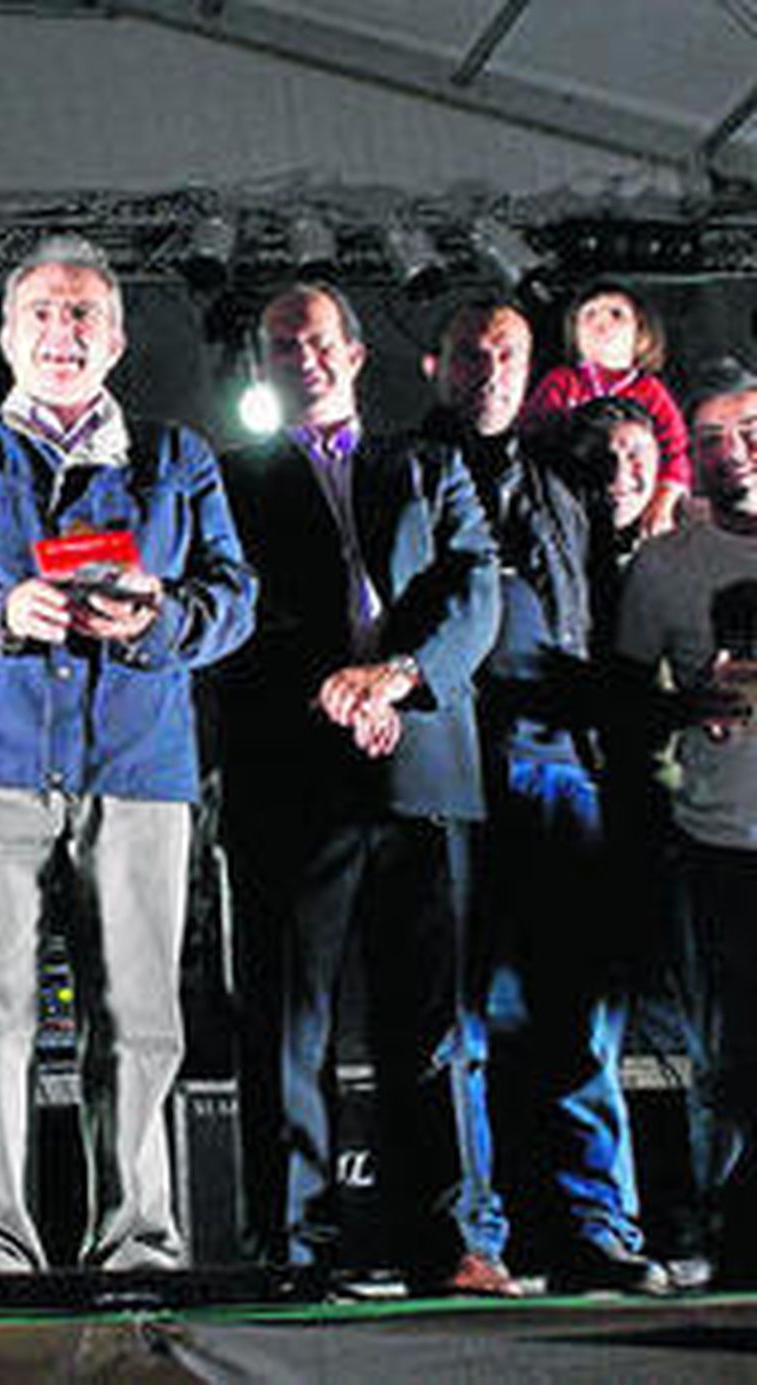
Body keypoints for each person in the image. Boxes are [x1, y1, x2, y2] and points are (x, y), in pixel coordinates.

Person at [0, 233, 256, 1274]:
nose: (63, 332)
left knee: (139, 1013)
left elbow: (233, 603)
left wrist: (154, 616)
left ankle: (138, 1238)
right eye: (42, 313)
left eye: (84, 313)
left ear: (118, 338)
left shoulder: (178, 460)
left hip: (138, 761)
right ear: (7, 335)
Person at [219, 282, 505, 1298]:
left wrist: (395, 677)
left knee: (426, 1026)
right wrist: (334, 689)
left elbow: (473, 589)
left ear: (353, 354)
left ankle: (451, 1240)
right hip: (291, 777)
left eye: (319, 340)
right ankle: (291, 1246)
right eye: (282, 344)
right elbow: (233, 613)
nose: (304, 357)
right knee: (287, 1023)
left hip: (422, 765)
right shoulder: (231, 481)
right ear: (264, 365)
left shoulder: (431, 465)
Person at [423, 300, 666, 1294]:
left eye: (508, 352)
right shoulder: (407, 465)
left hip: (563, 769)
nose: (488, 368)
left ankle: (592, 1224)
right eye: (473, 353)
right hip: (455, 771)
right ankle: (470, 1234)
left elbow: (604, 613)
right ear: (438, 364)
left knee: (574, 1018)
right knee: (460, 1019)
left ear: (536, 369)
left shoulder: (568, 476)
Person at [613, 356, 757, 1287]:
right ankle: (738, 1236)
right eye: (708, 439)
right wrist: (685, 704)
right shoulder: (665, 566)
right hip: (722, 844)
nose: (732, 454)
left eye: (747, 434)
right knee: (735, 1060)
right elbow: (621, 700)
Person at [521, 281, 689, 538]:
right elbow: (533, 435)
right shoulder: (562, 382)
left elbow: (676, 447)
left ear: (641, 332)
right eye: (589, 315)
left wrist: (663, 500)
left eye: (616, 314)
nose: (601, 322)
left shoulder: (650, 391)